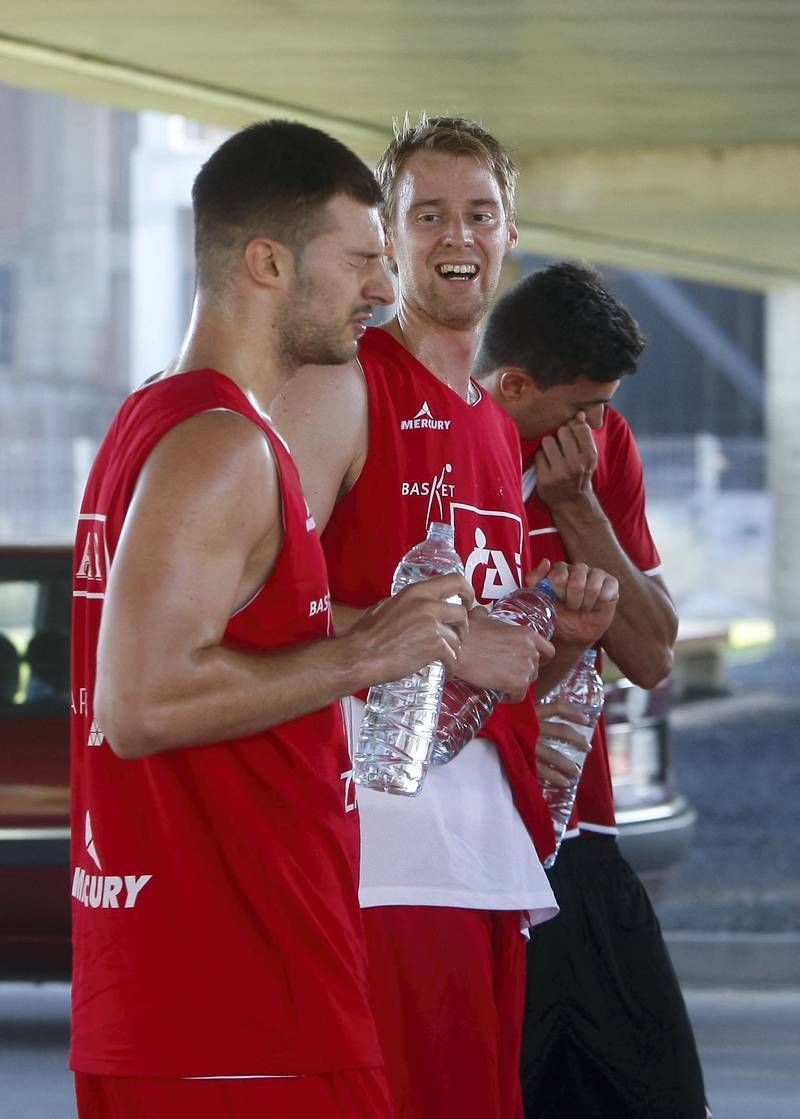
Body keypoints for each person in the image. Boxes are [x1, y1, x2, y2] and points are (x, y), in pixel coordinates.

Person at [69, 119, 476, 1119]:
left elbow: (209, 644)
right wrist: (366, 652)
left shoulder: (161, 421)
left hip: (189, 1005)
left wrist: (370, 629)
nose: (382, 291)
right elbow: (143, 702)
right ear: (267, 262)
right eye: (359, 261)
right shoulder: (218, 444)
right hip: (239, 1009)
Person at [273, 116, 619, 1119]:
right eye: (426, 215)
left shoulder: (486, 421)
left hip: (480, 862)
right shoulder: (341, 385)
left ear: (513, 232)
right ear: (388, 235)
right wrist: (447, 639)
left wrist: (562, 650)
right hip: (372, 861)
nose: (454, 236)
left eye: (478, 212)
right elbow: (253, 602)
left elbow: (480, 684)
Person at [475, 261, 710, 1119]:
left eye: (606, 403)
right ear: (512, 385)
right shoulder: (441, 454)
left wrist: (579, 508)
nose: (598, 423)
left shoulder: (601, 452)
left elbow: (650, 653)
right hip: (474, 850)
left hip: (582, 843)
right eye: (582, 405)